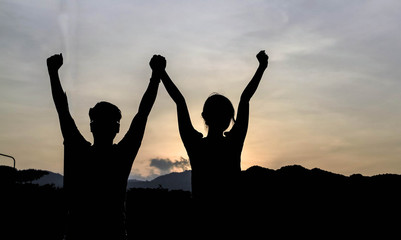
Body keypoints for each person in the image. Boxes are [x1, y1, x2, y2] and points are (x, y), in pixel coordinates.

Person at [47, 53, 164, 240]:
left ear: (91, 126)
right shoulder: (121, 154)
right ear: (117, 127)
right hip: (112, 233)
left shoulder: (79, 149)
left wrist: (53, 73)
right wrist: (156, 76)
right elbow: (143, 113)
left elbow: (63, 110)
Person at [159, 51, 269, 202]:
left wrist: (161, 72)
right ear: (230, 118)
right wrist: (262, 67)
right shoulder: (233, 142)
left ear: (204, 117)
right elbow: (245, 99)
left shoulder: (195, 144)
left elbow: (180, 101)